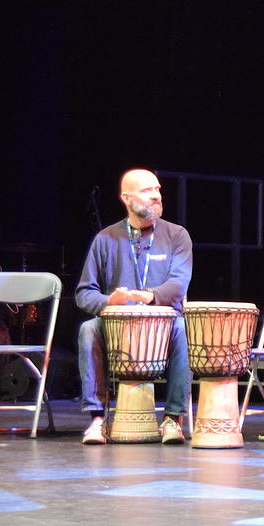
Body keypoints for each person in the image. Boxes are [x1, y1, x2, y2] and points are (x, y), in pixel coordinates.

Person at [76, 168, 193, 445]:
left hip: (163, 325)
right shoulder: (105, 239)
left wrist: (148, 296)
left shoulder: (177, 235)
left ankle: (173, 418)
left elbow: (178, 285)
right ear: (126, 198)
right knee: (88, 330)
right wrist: (109, 302)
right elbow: (84, 293)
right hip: (117, 325)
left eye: (157, 190)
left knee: (183, 328)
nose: (155, 196)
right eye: (146, 190)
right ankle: (96, 419)